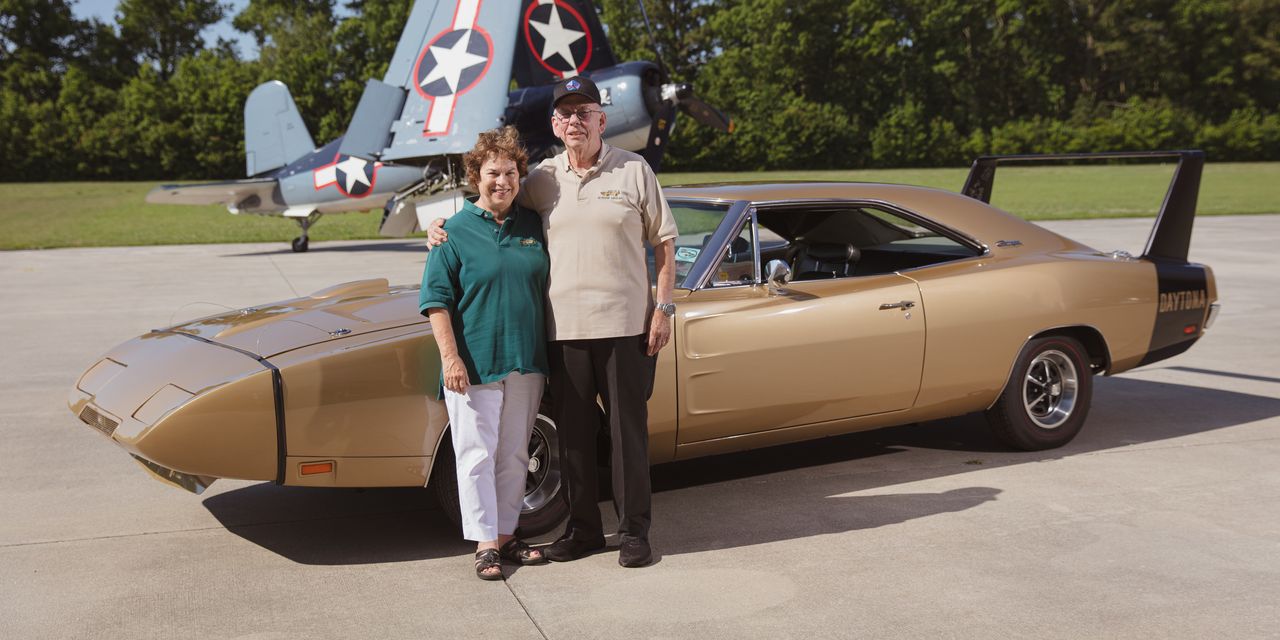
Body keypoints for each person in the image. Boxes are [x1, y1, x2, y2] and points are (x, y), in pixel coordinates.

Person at [429, 76, 678, 568]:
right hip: (563, 332)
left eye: (584, 112)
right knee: (577, 436)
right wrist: (437, 226)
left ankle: (633, 533)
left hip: (627, 325)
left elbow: (664, 244)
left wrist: (663, 308)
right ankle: (584, 531)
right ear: (555, 124)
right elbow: (490, 203)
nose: (575, 122)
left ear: (601, 120)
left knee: (628, 434)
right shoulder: (541, 178)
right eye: (565, 115)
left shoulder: (634, 169)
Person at [419, 126, 550, 580]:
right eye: (493, 173)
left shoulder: (533, 225)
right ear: (476, 176)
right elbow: (436, 302)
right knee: (475, 454)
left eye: (511, 173)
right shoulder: (450, 233)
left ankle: (509, 535)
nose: (503, 182)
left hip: (526, 361)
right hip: (474, 363)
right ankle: (485, 544)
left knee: (514, 453)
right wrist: (450, 358)